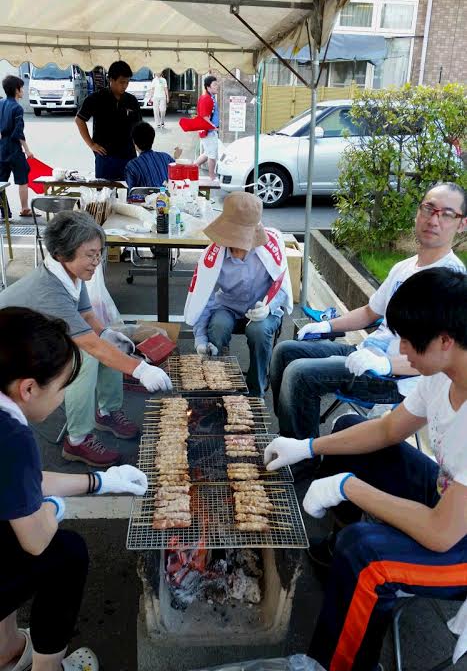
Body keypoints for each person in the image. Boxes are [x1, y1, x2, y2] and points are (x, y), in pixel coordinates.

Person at [264, 267, 467, 671]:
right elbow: (388, 429)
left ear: (446, 340)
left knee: (365, 554)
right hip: (453, 500)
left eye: (410, 342)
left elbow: (440, 534)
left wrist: (349, 488)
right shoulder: (442, 371)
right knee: (355, 430)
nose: (402, 351)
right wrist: (308, 446)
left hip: (459, 539)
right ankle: (339, 561)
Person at [0, 307, 148, 671]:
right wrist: (55, 508)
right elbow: (36, 539)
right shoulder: (11, 437)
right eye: (64, 386)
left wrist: (99, 481)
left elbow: (21, 483)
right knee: (65, 552)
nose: (65, 397)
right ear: (28, 388)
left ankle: (5, 651)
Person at [270, 182, 466, 440]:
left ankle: (303, 461)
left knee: (300, 374)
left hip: (395, 376)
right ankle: (290, 438)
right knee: (285, 351)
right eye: (429, 209)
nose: (434, 219)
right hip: (367, 353)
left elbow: (438, 358)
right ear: (418, 213)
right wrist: (328, 326)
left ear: (462, 224)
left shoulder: (451, 282)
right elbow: (369, 312)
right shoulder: (405, 267)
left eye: (447, 214)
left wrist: (385, 364)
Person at [0, 211, 172, 467]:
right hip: (9, 351)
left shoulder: (71, 275)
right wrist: (140, 369)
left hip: (35, 340)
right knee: (86, 357)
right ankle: (77, 440)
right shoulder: (50, 289)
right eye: (89, 255)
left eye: (99, 253)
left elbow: (87, 316)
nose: (96, 261)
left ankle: (107, 411)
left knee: (106, 344)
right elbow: (89, 344)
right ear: (62, 253)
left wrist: (108, 334)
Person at [185, 192, 293, 396]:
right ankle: (218, 386)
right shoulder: (213, 256)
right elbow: (203, 298)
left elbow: (283, 286)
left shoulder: (271, 248)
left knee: (259, 332)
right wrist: (200, 337)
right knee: (217, 327)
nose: (236, 249)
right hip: (228, 306)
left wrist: (268, 306)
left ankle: (256, 391)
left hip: (263, 308)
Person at [75, 60, 142, 181]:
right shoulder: (96, 98)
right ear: (111, 79)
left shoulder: (131, 100)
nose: (125, 86)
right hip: (105, 157)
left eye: (127, 82)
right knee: (104, 194)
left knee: (128, 193)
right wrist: (91, 144)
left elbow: (139, 128)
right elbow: (79, 120)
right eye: (122, 82)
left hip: (128, 156)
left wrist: (141, 150)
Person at [0, 75, 34, 217]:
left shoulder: (1, 104)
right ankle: (25, 208)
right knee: (22, 178)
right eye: (22, 87)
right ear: (16, 90)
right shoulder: (17, 108)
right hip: (14, 147)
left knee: (1, 181)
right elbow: (18, 132)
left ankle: (4, 212)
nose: (23, 90)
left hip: (1, 147)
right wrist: (27, 150)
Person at [125, 121, 182, 191]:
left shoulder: (132, 166)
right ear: (152, 139)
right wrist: (176, 157)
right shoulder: (166, 157)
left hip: (144, 200)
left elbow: (133, 191)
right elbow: (176, 173)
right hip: (165, 199)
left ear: (134, 142)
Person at [195, 75, 219, 180]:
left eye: (217, 84)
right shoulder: (206, 99)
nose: (217, 86)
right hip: (208, 132)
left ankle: (193, 167)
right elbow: (205, 117)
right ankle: (212, 177)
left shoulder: (210, 97)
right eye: (214, 84)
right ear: (208, 87)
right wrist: (213, 127)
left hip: (209, 131)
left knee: (207, 153)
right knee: (212, 155)